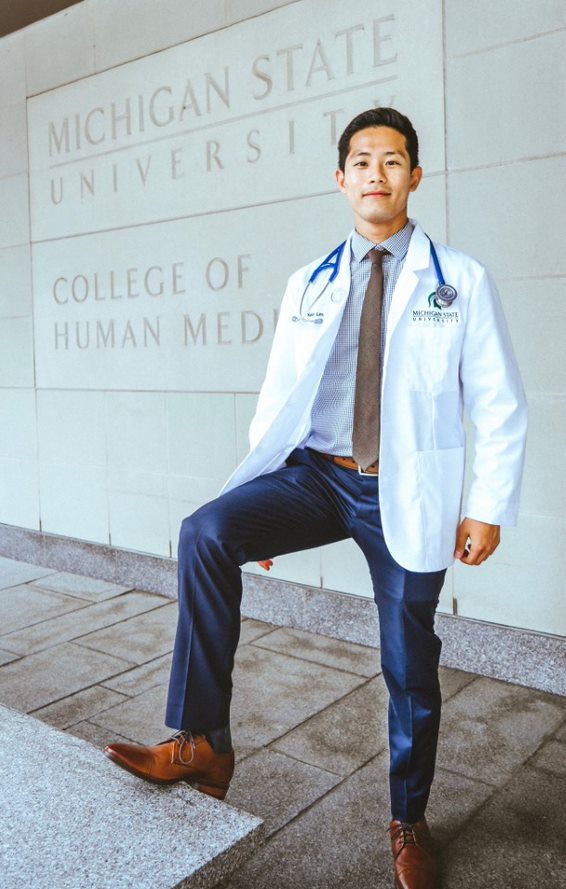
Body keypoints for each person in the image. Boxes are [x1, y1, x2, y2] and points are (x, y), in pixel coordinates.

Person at [104, 108, 527, 889]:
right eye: (362, 161)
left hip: (404, 485)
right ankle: (202, 740)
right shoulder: (311, 281)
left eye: (393, 161)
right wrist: (256, 497)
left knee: (409, 662)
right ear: (341, 179)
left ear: (415, 177)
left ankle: (409, 816)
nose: (376, 173)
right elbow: (277, 401)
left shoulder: (457, 281)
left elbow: (499, 402)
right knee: (205, 532)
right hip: (316, 475)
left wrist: (487, 504)